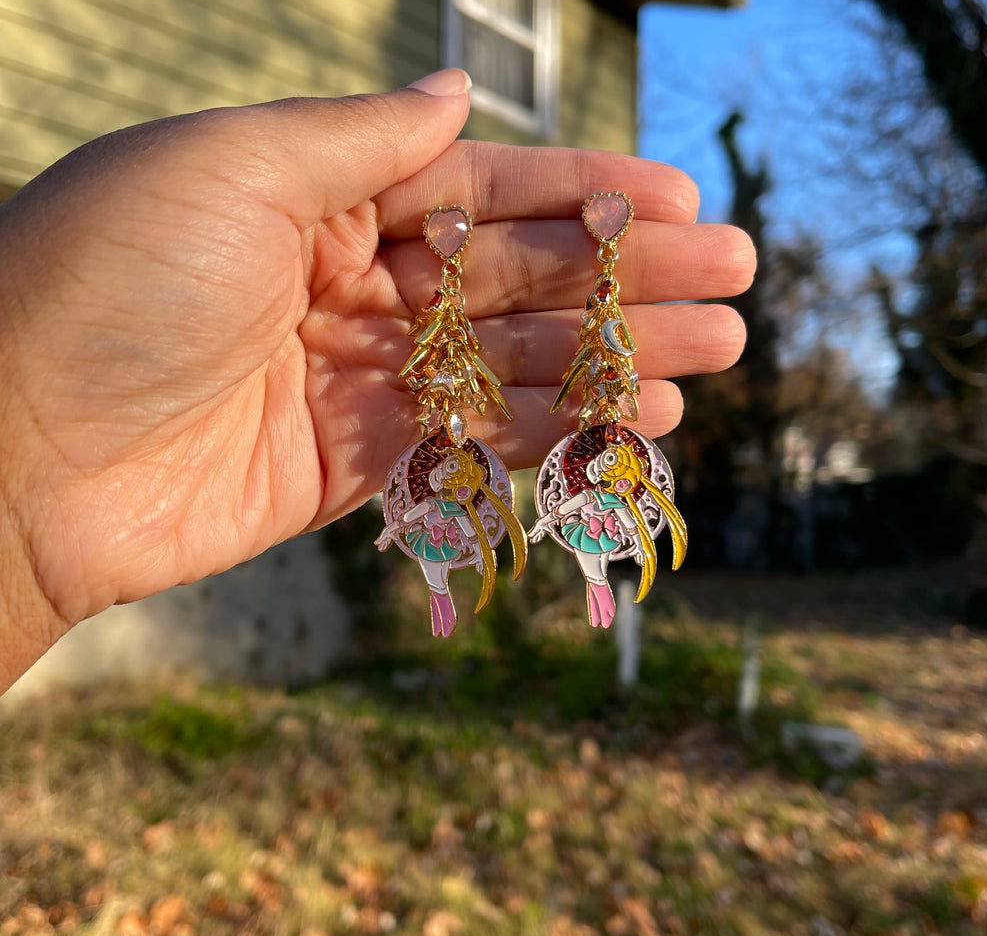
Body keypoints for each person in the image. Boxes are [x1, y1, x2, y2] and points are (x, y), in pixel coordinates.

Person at [0, 69, 754, 693]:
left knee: (546, 542)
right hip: (459, 506)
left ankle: (546, 588)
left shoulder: (587, 471)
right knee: (454, 554)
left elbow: (559, 511)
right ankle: (449, 594)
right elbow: (514, 514)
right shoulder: (462, 478)